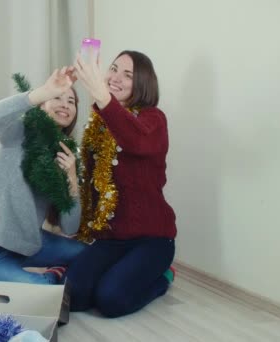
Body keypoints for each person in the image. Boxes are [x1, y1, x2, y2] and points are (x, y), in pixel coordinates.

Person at [67, 50, 177, 317]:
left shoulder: (154, 120)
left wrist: (100, 95)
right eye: (113, 69)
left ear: (142, 84)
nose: (115, 77)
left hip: (152, 239)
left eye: (127, 75)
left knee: (111, 300)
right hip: (111, 238)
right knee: (76, 296)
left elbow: (134, 139)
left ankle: (164, 277)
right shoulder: (101, 124)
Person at [0, 67, 86, 285]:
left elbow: (70, 227)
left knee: (88, 256)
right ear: (42, 105)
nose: (65, 104)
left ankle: (52, 277)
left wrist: (71, 178)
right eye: (57, 97)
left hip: (29, 244)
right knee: (44, 291)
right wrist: (45, 90)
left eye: (71, 102)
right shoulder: (19, 132)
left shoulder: (64, 156)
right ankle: (53, 277)